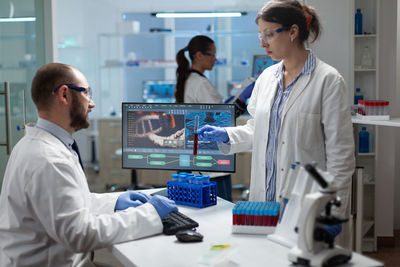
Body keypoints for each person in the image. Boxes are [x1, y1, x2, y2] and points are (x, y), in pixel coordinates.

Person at [198, 0, 355, 237]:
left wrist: (335, 208)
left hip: (305, 204)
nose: (262, 43)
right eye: (261, 35)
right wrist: (228, 135)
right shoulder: (266, 78)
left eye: (269, 34)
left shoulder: (328, 81)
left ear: (293, 32)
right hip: (262, 205)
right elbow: (260, 130)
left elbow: (340, 156)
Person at [0, 63, 178, 266]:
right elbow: (79, 234)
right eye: (87, 93)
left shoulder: (38, 144)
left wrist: (114, 202)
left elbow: (66, 204)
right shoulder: (48, 159)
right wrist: (150, 213)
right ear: (64, 95)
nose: (91, 104)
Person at [175, 35, 237, 201]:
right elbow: (221, 118)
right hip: (209, 160)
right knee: (220, 207)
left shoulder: (189, 79)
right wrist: (241, 100)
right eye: (212, 54)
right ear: (199, 55)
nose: (215, 59)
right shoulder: (200, 83)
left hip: (193, 155)